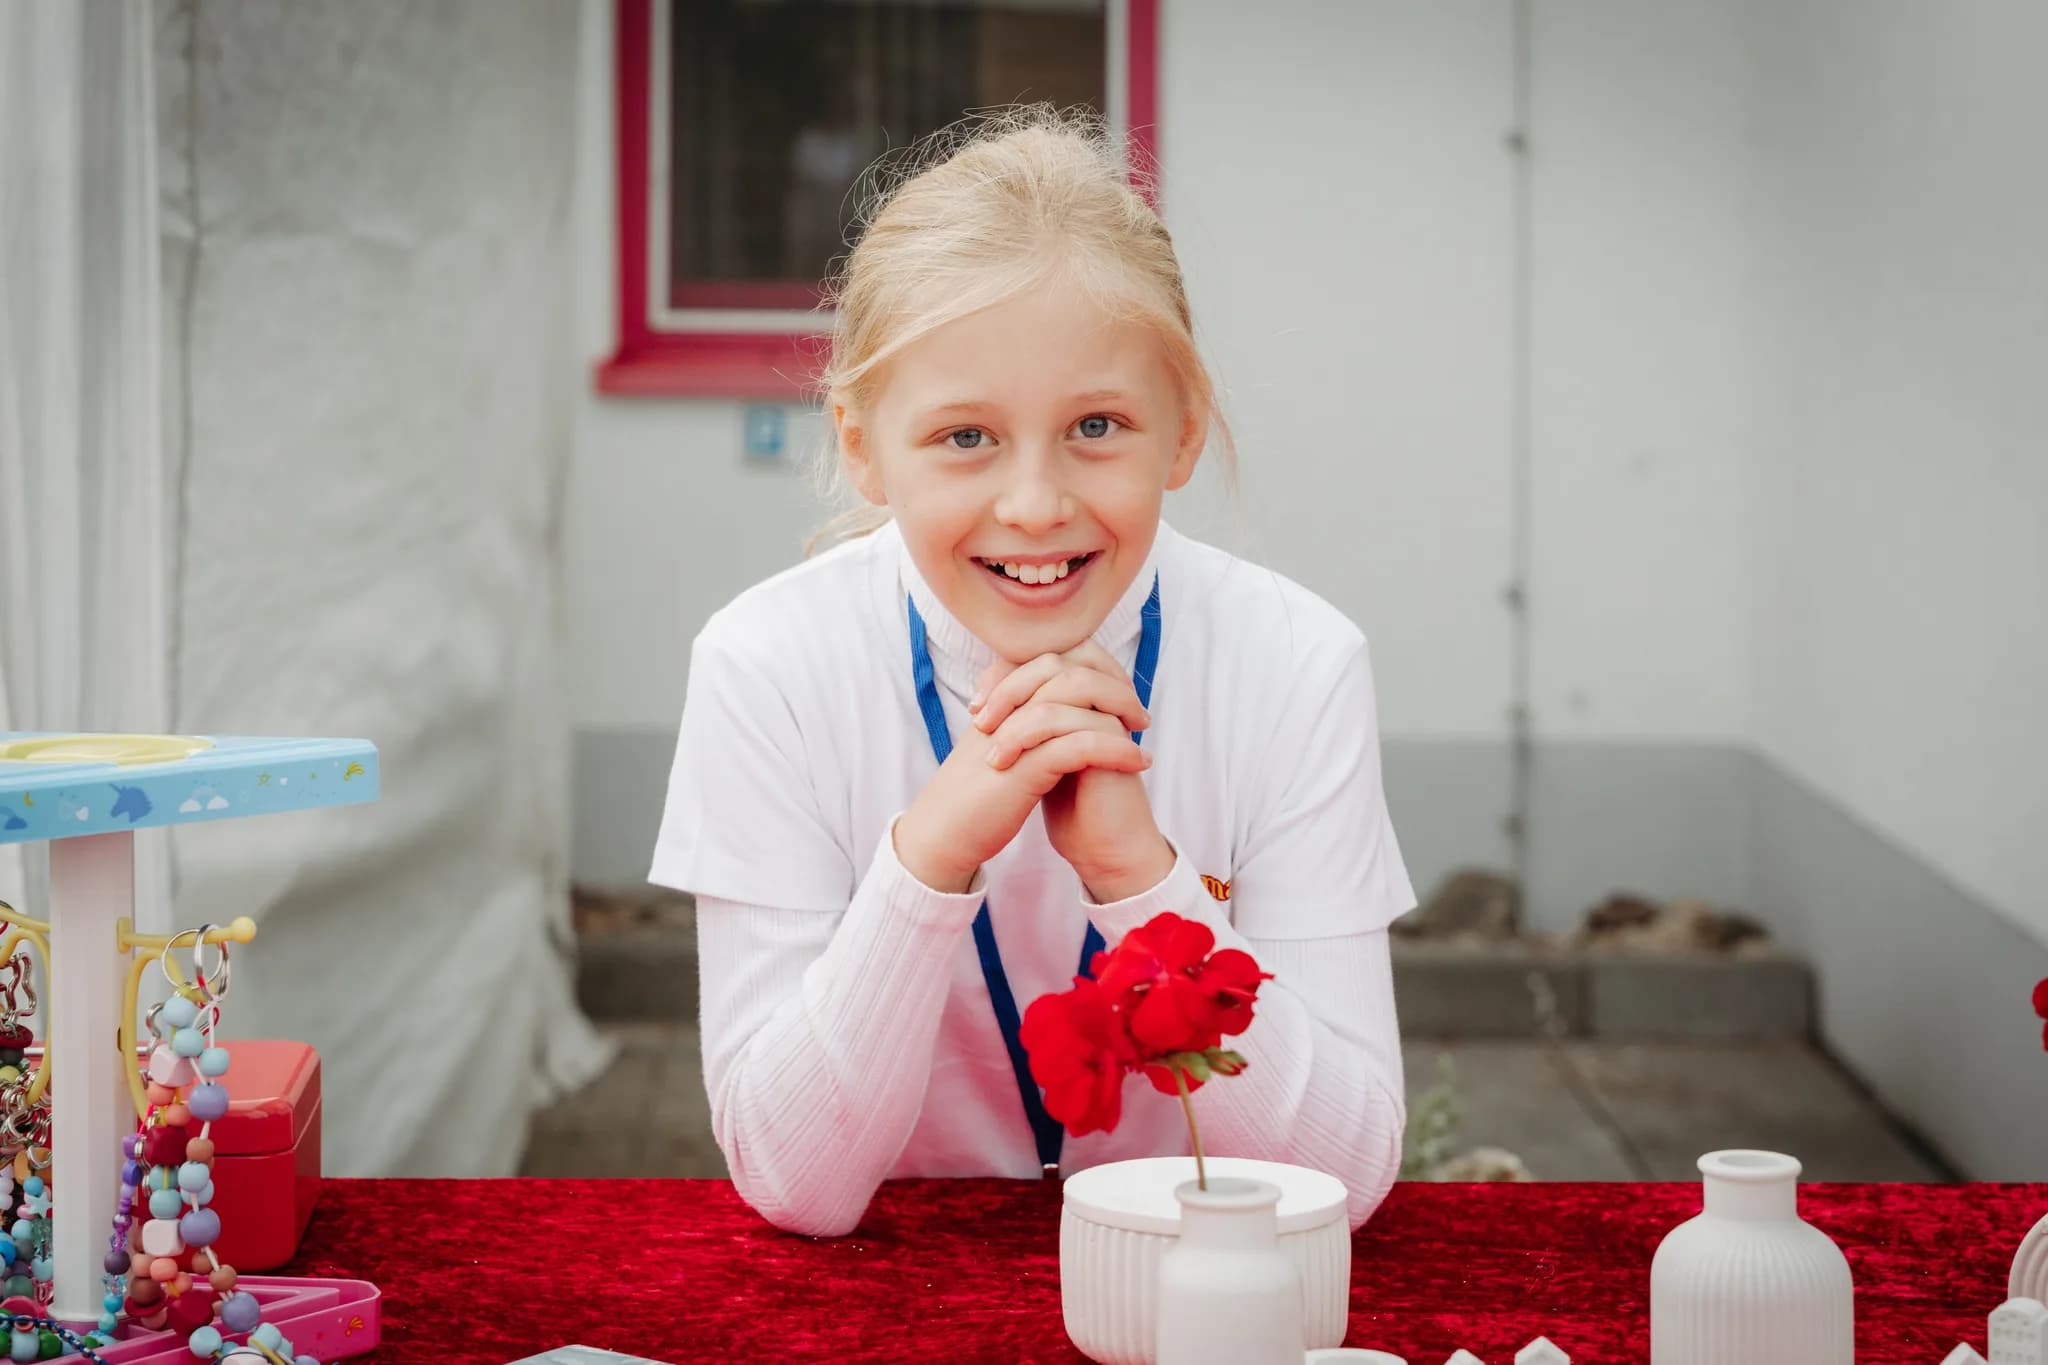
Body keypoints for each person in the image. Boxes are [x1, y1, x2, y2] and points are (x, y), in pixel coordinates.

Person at [652, 109, 1414, 1237]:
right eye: (964, 436)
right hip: (889, 1306)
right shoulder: (766, 667)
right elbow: (792, 1184)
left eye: (1095, 425)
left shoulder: (1296, 664)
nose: (1034, 506)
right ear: (862, 446)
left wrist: (1138, 878)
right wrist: (930, 856)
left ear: (1183, 429)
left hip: (1186, 1285)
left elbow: (1345, 1179)